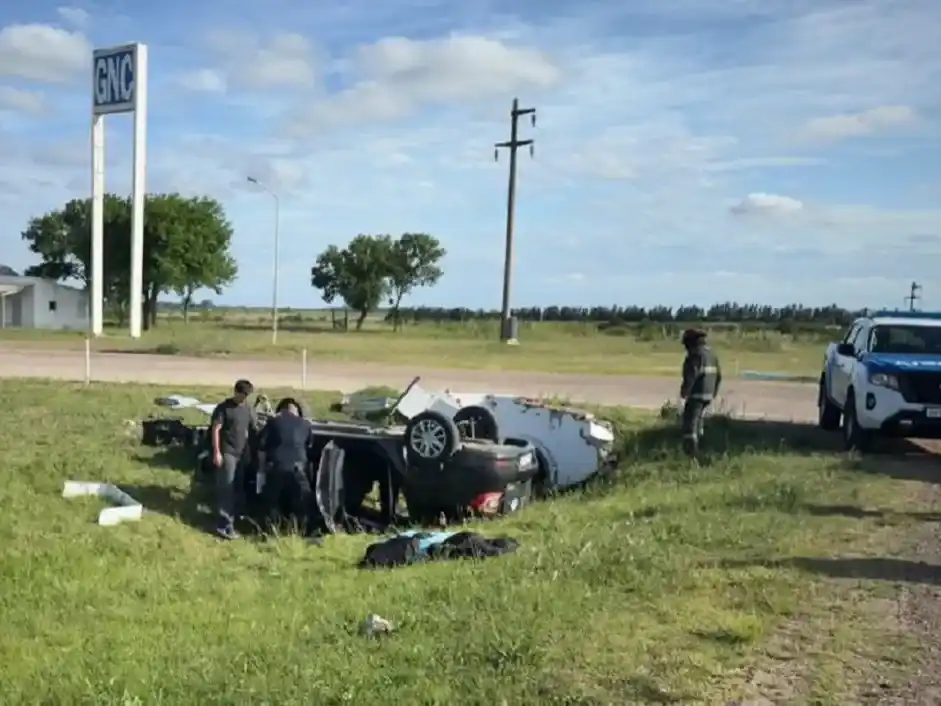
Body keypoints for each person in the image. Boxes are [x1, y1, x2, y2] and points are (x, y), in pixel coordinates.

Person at [257, 397, 315, 535]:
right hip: (298, 469)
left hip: (276, 467)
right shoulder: (305, 424)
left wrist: (261, 470)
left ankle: (271, 530)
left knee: (272, 501)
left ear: (281, 410)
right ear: (297, 411)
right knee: (301, 501)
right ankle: (300, 530)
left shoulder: (273, 422)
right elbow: (309, 446)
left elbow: (261, 448)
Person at [210, 379, 256, 539]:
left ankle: (235, 519)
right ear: (236, 392)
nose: (244, 398)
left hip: (241, 454)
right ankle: (223, 525)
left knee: (238, 487)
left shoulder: (248, 409)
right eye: (243, 395)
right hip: (227, 453)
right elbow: (216, 430)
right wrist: (217, 452)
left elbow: (252, 428)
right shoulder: (223, 408)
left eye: (247, 396)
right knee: (226, 488)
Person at [679, 329, 722, 458]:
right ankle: (702, 444)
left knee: (690, 421)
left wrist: (684, 391)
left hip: (696, 394)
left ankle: (691, 451)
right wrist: (714, 392)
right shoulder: (712, 355)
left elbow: (691, 375)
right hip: (708, 394)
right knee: (699, 420)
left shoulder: (695, 356)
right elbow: (719, 376)